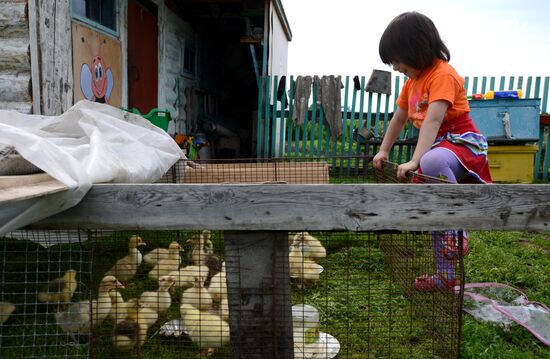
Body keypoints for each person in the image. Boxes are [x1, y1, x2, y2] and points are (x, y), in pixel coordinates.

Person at [372, 11, 492, 291]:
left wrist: (416, 160)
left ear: (415, 48)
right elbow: (398, 119)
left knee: (432, 160)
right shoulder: (411, 83)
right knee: (434, 210)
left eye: (397, 60)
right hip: (436, 145)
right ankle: (445, 274)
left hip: (462, 143)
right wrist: (383, 151)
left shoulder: (443, 75)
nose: (395, 67)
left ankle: (458, 229)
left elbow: (434, 120)